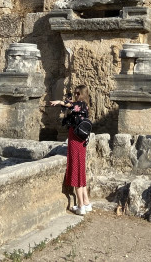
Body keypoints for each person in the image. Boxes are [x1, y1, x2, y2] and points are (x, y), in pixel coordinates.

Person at [50, 84, 92, 215]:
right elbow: (70, 108)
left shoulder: (82, 105)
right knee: (80, 170)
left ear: (83, 94)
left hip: (76, 141)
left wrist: (60, 102)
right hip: (79, 141)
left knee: (76, 171)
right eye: (75, 93)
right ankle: (86, 202)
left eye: (78, 93)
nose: (76, 95)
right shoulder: (81, 106)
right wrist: (66, 104)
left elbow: (72, 105)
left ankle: (80, 206)